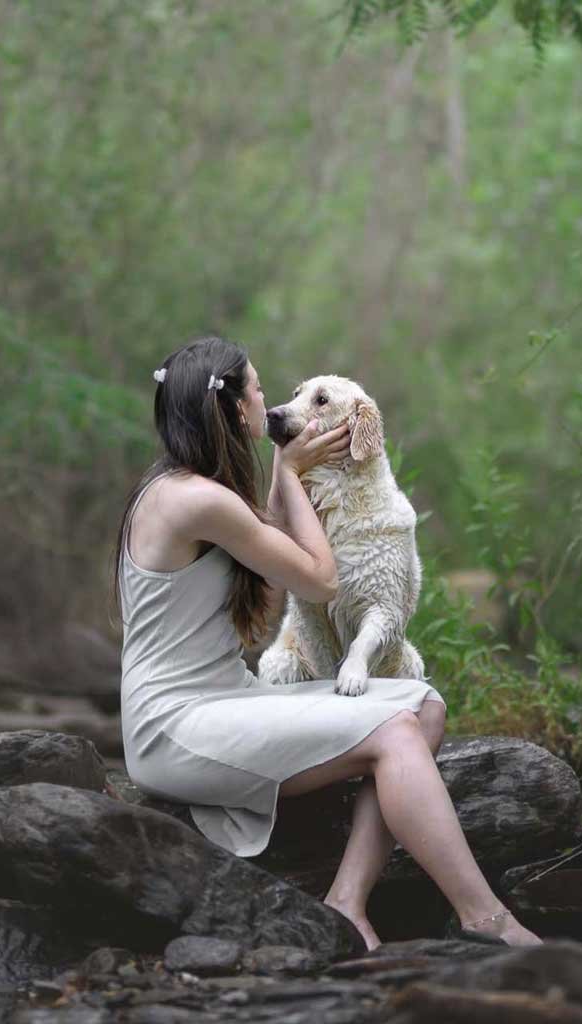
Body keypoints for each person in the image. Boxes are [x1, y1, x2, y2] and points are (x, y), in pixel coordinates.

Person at [113, 335, 541, 949]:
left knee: (424, 704)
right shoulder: (197, 501)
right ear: (236, 409)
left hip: (221, 700)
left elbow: (267, 566)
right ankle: (484, 916)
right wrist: (290, 470)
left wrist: (289, 476)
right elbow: (319, 580)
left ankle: (345, 901)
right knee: (396, 729)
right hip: (175, 727)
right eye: (260, 388)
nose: (270, 400)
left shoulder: (184, 490)